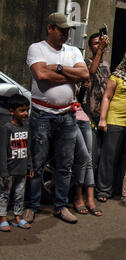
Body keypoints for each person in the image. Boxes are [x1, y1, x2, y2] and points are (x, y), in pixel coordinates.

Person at [24, 12, 89, 224]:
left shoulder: (73, 51)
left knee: (65, 164)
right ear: (50, 28)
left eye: (67, 30)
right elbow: (41, 75)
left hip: (67, 114)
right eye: (61, 30)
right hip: (42, 114)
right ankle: (31, 206)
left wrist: (59, 68)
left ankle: (60, 206)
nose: (65, 34)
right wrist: (71, 74)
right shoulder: (37, 48)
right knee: (37, 163)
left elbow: (85, 74)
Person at [96, 48, 126, 202]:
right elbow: (107, 97)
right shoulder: (116, 77)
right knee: (109, 157)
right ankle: (104, 190)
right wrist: (103, 119)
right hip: (115, 120)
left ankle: (119, 189)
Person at [0, 95, 34, 232]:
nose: (25, 113)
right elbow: (2, 151)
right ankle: (2, 218)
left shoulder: (26, 127)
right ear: (12, 111)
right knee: (4, 195)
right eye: (22, 110)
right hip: (8, 170)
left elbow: (28, 148)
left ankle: (17, 217)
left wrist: (30, 166)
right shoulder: (6, 128)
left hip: (22, 170)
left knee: (20, 195)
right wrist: (3, 171)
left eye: (27, 110)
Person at [83, 33, 111, 177]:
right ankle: (89, 184)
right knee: (92, 153)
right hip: (90, 114)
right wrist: (100, 50)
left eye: (100, 43)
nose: (98, 46)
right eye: (95, 44)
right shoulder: (86, 62)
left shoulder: (106, 65)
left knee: (103, 153)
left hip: (104, 115)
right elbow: (91, 72)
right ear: (90, 47)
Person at [72, 105, 102, 216]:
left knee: (89, 159)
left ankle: (90, 199)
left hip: (84, 119)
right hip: (70, 118)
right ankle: (78, 197)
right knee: (83, 157)